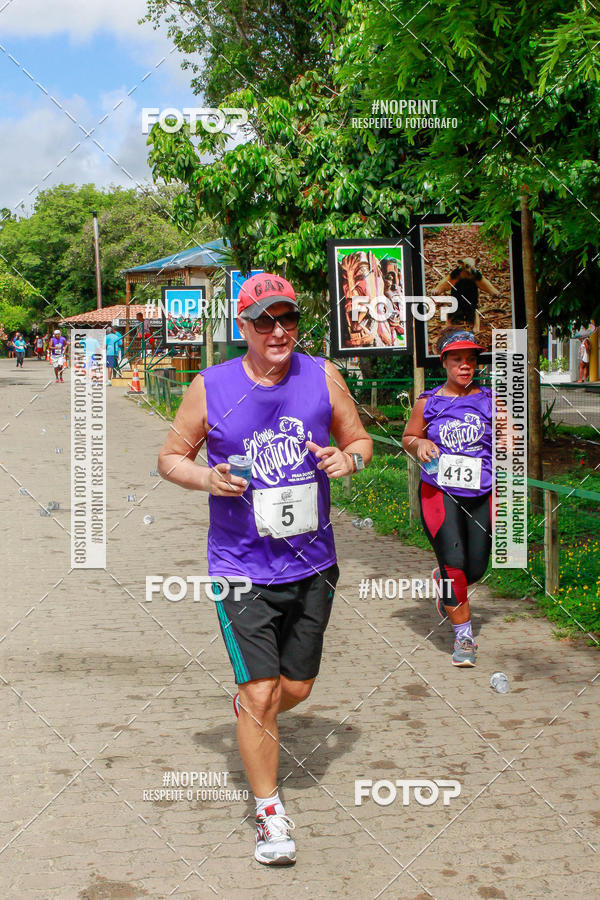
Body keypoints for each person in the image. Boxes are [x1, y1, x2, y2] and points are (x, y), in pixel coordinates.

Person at [158, 272, 372, 866]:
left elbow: (361, 443)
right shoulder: (211, 384)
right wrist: (209, 478)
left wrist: (347, 461)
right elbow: (170, 457)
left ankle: (254, 718)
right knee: (260, 691)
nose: (278, 331)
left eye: (288, 319)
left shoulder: (323, 375)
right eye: (264, 321)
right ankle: (270, 814)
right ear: (243, 327)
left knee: (293, 688)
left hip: (312, 563)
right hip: (240, 566)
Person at [402, 327, 492, 668]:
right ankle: (464, 637)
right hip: (440, 493)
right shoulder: (429, 400)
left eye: (471, 360)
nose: (465, 366)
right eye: (457, 359)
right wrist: (419, 444)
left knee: (477, 567)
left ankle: (444, 583)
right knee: (454, 563)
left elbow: (508, 443)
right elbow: (409, 436)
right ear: (445, 362)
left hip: (481, 491)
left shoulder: (490, 400)